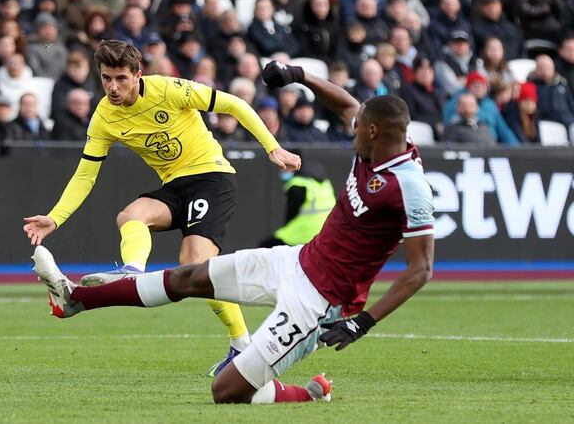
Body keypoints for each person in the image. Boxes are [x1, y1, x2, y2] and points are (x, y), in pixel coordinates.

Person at [32, 59, 435, 405]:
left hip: (320, 302)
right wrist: (298, 75)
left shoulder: (409, 187)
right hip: (297, 260)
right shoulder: (376, 136)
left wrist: (363, 321)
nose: (352, 131)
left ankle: (303, 392)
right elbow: (347, 103)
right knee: (189, 275)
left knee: (225, 391)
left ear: (374, 133)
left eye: (358, 128)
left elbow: (421, 269)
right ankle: (76, 300)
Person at [22, 40, 302, 378]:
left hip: (211, 177)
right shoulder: (104, 117)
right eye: (106, 78)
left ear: (138, 75)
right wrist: (55, 217)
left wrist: (272, 148)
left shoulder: (169, 89)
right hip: (176, 186)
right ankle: (133, 270)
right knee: (130, 215)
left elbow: (234, 104)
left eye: (121, 78)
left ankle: (242, 343)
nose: (112, 87)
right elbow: (85, 174)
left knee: (195, 263)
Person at [259, 161, 335, 248]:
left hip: (304, 233)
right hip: (326, 233)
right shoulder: (324, 183)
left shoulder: (297, 185)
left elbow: (291, 215)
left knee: (265, 247)